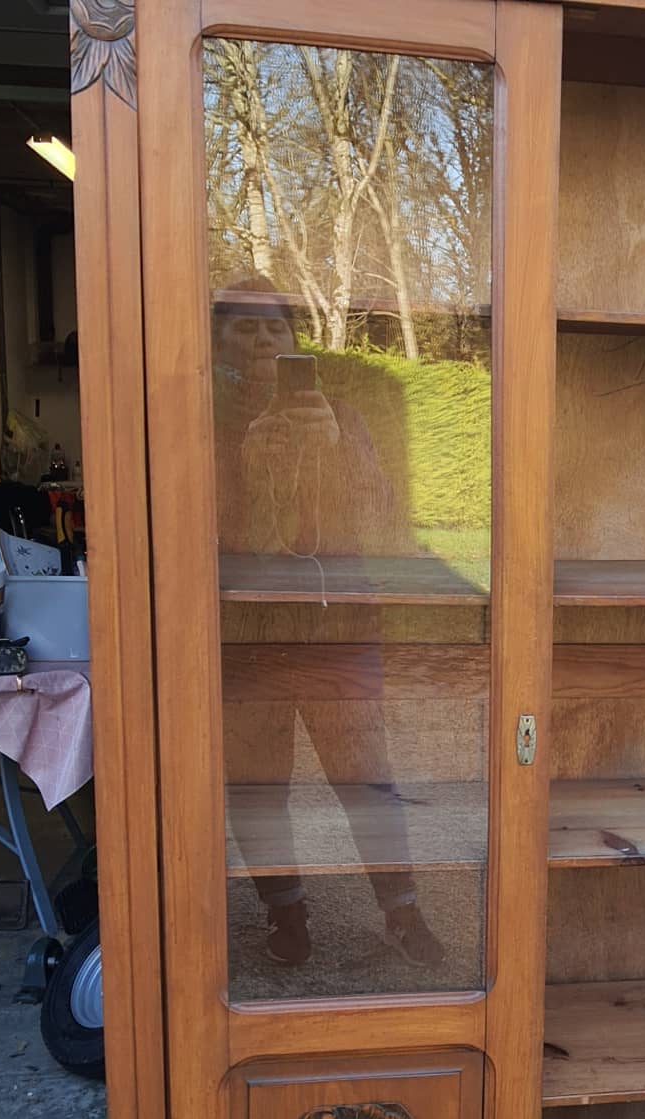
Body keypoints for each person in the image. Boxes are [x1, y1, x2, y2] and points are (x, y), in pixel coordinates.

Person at [212, 275, 444, 972]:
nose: (262, 340)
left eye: (275, 327)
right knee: (256, 784)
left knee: (366, 775)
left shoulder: (341, 415)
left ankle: (403, 911)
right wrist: (249, 459)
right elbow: (210, 534)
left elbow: (384, 522)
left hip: (337, 629)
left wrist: (339, 446)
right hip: (245, 634)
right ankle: (286, 913)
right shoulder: (204, 425)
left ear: (295, 342)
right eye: (244, 326)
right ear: (218, 343)